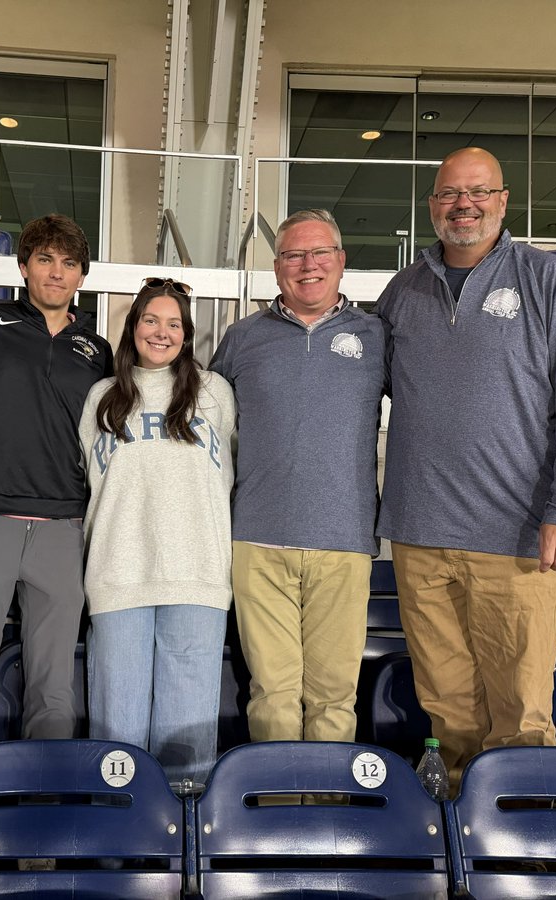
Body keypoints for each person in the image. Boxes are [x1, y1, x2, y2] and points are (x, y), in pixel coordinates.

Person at [375, 147, 556, 784]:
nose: (463, 205)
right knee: (446, 709)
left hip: (519, 538)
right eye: (449, 194)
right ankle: (460, 842)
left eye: (477, 192)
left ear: (503, 201)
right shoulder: (404, 290)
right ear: (432, 207)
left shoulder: (545, 279)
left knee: (522, 714)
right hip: (420, 535)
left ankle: (523, 845)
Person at [0, 213, 113, 781]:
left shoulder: (98, 347)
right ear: (24, 266)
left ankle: (44, 797)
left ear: (82, 274)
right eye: (45, 260)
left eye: (68, 263)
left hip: (64, 528)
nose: (56, 272)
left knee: (53, 680)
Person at [210, 208, 386, 743]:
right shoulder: (241, 339)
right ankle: (280, 811)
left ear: (340, 261)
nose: (308, 265)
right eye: (293, 254)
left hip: (345, 540)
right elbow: (207, 429)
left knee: (335, 696)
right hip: (257, 540)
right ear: (277, 266)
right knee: (271, 693)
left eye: (320, 253)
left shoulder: (377, 336)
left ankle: (326, 816)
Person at [79, 278, 235, 784]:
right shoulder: (102, 397)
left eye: (174, 324)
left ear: (187, 335)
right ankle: (118, 852)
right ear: (133, 327)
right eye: (151, 320)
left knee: (187, 751)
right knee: (116, 742)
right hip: (118, 575)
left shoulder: (214, 393)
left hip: (197, 576)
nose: (161, 332)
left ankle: (181, 854)